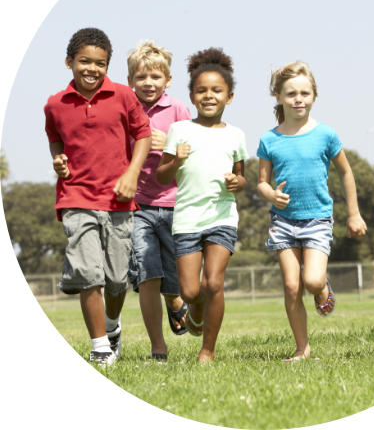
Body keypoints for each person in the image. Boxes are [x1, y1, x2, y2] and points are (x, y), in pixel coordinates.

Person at [44, 28, 152, 365]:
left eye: (100, 63)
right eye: (84, 61)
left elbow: (144, 134)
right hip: (76, 197)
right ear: (69, 62)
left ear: (108, 65)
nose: (92, 68)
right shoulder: (55, 104)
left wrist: (132, 174)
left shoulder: (123, 96)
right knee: (88, 273)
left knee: (118, 279)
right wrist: (58, 160)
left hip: (118, 200)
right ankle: (100, 346)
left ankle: (112, 324)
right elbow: (55, 138)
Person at [257, 61, 367, 362]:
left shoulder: (326, 134)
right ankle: (302, 349)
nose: (298, 99)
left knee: (312, 281)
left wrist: (354, 214)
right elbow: (261, 184)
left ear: (314, 96)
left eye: (305, 93)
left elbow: (346, 173)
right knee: (292, 286)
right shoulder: (269, 139)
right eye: (291, 93)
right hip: (282, 221)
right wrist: (270, 194)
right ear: (278, 96)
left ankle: (322, 291)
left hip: (317, 219)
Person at [157, 47, 248, 363]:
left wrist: (237, 184)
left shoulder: (236, 135)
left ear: (229, 97)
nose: (209, 96)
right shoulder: (179, 130)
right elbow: (161, 175)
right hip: (186, 220)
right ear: (192, 96)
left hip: (222, 217)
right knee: (192, 292)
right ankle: (194, 313)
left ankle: (207, 350)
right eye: (202, 90)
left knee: (213, 283)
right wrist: (176, 158)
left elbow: (241, 177)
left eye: (217, 90)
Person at [126, 40, 192, 360]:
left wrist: (171, 143)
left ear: (167, 80)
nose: (148, 83)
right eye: (141, 77)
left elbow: (194, 154)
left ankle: (175, 299)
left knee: (177, 279)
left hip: (176, 204)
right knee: (147, 274)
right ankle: (158, 347)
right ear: (130, 81)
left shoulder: (178, 110)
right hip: (138, 207)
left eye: (155, 77)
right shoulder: (124, 109)